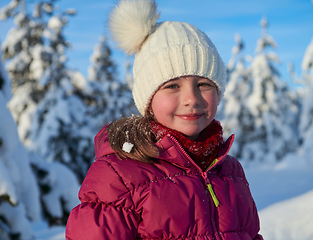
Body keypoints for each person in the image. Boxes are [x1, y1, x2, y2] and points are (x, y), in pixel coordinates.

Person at [65, 0, 263, 239]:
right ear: (148, 99)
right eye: (172, 86)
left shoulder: (230, 171)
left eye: (204, 84)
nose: (192, 98)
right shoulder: (120, 175)